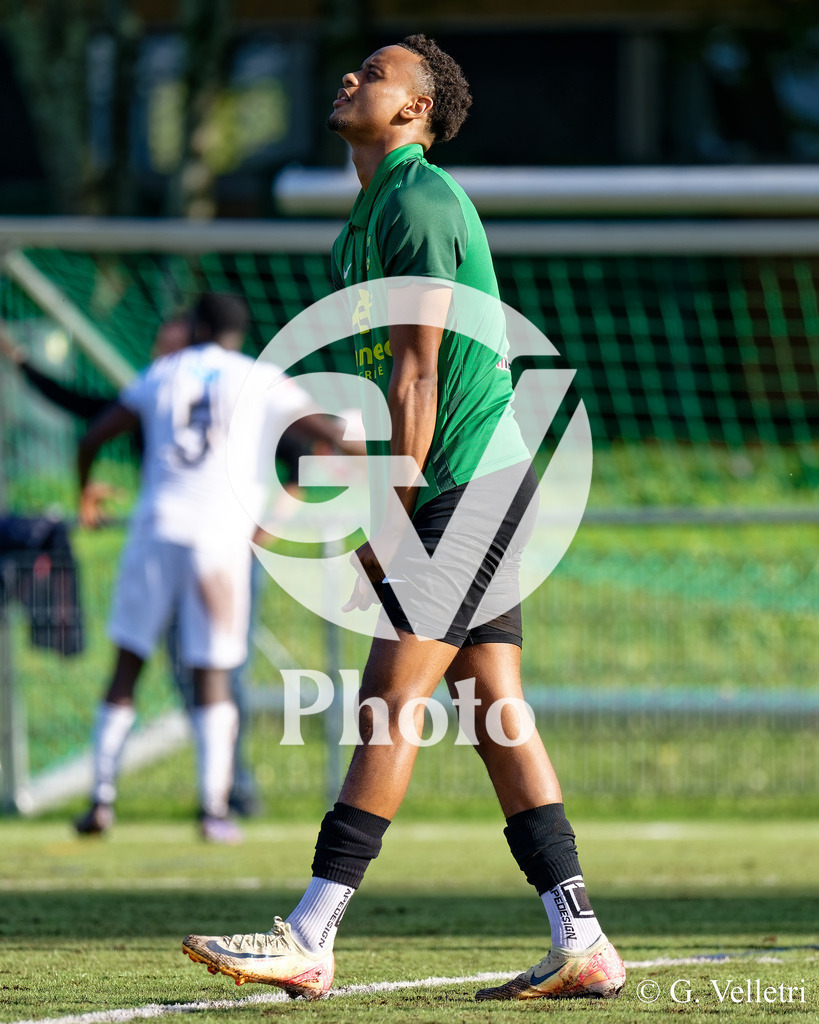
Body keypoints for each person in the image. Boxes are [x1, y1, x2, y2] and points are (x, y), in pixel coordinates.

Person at [182, 36, 625, 1000]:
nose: (351, 77)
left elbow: (422, 368)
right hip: (467, 482)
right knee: (493, 709)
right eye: (352, 69)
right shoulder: (368, 215)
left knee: (390, 699)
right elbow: (383, 381)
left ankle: (310, 933)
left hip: (464, 483)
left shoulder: (419, 201)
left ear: (415, 110)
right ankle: (580, 937)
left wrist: (391, 499)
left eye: (375, 74)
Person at [72, 293, 341, 842]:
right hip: (221, 540)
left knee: (128, 665)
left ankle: (100, 801)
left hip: (157, 529)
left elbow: (95, 434)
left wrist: (86, 494)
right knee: (213, 673)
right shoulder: (260, 376)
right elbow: (327, 435)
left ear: (195, 325)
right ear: (241, 333)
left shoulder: (163, 371)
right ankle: (214, 809)